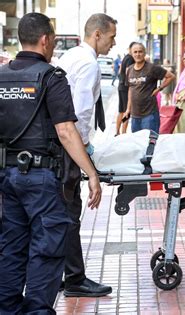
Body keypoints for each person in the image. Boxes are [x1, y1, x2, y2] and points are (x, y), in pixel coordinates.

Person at [0, 13, 101, 313]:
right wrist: (90, 173)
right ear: (45, 39)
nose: (54, 46)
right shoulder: (51, 76)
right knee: (46, 249)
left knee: (12, 248)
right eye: (54, 40)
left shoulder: (2, 77)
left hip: (8, 177)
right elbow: (66, 131)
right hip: (43, 179)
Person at [57, 13, 117, 297]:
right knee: (70, 213)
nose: (113, 43)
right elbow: (79, 115)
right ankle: (75, 280)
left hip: (58, 145)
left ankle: (62, 273)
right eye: (111, 37)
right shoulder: (90, 64)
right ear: (97, 35)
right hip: (68, 147)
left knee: (61, 213)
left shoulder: (69, 57)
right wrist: (85, 157)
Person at [123, 42, 175, 133]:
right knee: (138, 144)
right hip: (135, 116)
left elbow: (171, 76)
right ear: (131, 53)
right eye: (135, 52)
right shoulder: (130, 70)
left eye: (140, 52)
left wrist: (159, 88)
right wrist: (128, 109)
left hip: (150, 115)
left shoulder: (152, 68)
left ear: (144, 53)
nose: (138, 54)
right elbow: (130, 90)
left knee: (150, 144)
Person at [116, 42, 136, 136]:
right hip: (126, 87)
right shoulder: (130, 58)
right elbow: (128, 70)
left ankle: (117, 132)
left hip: (121, 86)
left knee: (121, 110)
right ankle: (123, 132)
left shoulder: (125, 58)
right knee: (127, 110)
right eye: (135, 50)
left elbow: (120, 70)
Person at [173, 51, 185, 133]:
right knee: (179, 121)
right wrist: (176, 94)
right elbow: (179, 85)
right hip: (179, 98)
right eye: (183, 59)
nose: (184, 60)